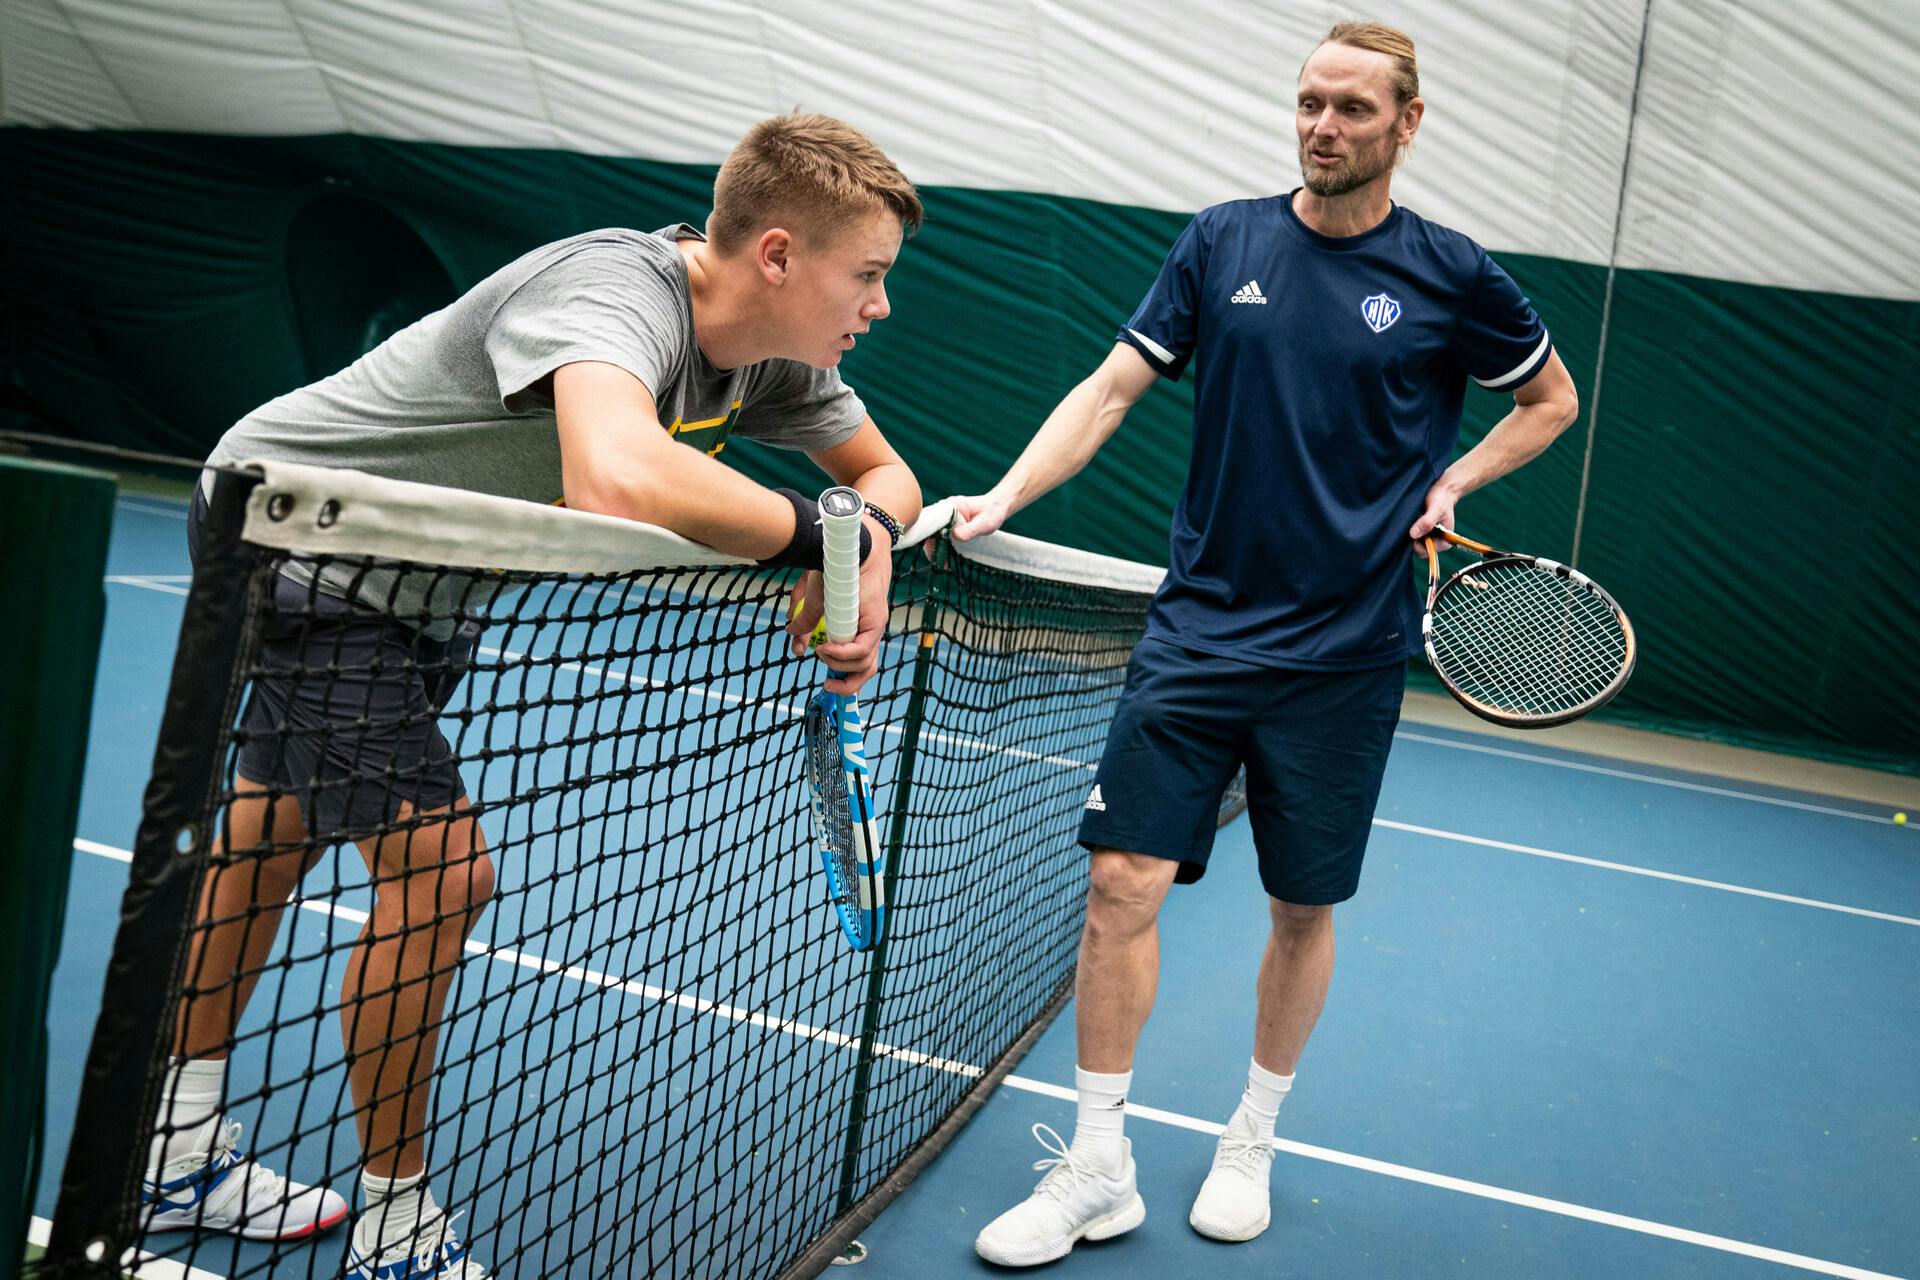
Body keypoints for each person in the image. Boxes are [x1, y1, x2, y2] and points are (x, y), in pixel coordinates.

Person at [142, 112, 923, 1280]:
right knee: (444, 873)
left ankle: (175, 1145)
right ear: (776, 254)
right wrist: (819, 545)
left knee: (272, 831)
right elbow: (609, 475)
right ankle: (397, 1232)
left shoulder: (772, 362)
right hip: (291, 530)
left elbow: (881, 477)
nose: (880, 304)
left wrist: (859, 554)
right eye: (865, 275)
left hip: (425, 591)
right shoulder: (611, 291)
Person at [959, 21, 1579, 1265]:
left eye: (1354, 107)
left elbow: (1552, 398)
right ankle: (1098, 1163)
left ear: (1408, 124)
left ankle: (1252, 1135)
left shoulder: (1454, 274)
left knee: (1302, 905)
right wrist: (1004, 497)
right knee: (1117, 886)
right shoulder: (1220, 241)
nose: (1323, 125)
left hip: (1347, 653)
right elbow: (1110, 389)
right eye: (1309, 101)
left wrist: (1455, 480)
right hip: (1196, 633)